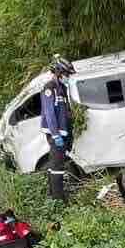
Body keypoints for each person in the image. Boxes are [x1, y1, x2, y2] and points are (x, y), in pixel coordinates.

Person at [40, 55, 75, 201]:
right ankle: (58, 199)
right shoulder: (50, 88)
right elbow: (49, 113)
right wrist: (55, 135)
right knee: (57, 167)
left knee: (56, 163)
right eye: (66, 74)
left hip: (63, 133)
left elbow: (65, 110)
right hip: (56, 134)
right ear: (59, 73)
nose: (68, 77)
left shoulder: (62, 88)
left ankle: (54, 194)